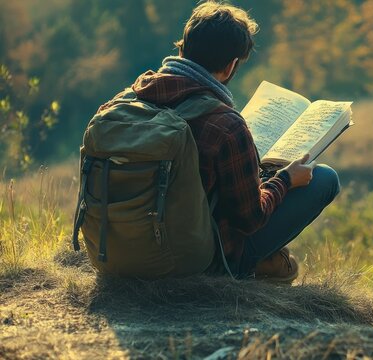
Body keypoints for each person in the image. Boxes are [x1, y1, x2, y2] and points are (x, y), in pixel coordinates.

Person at [126, 2, 340, 282]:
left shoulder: (130, 100)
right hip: (197, 259)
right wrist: (286, 179)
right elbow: (249, 219)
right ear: (230, 67)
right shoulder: (226, 125)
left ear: (182, 49)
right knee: (325, 178)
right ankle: (250, 265)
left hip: (122, 245)